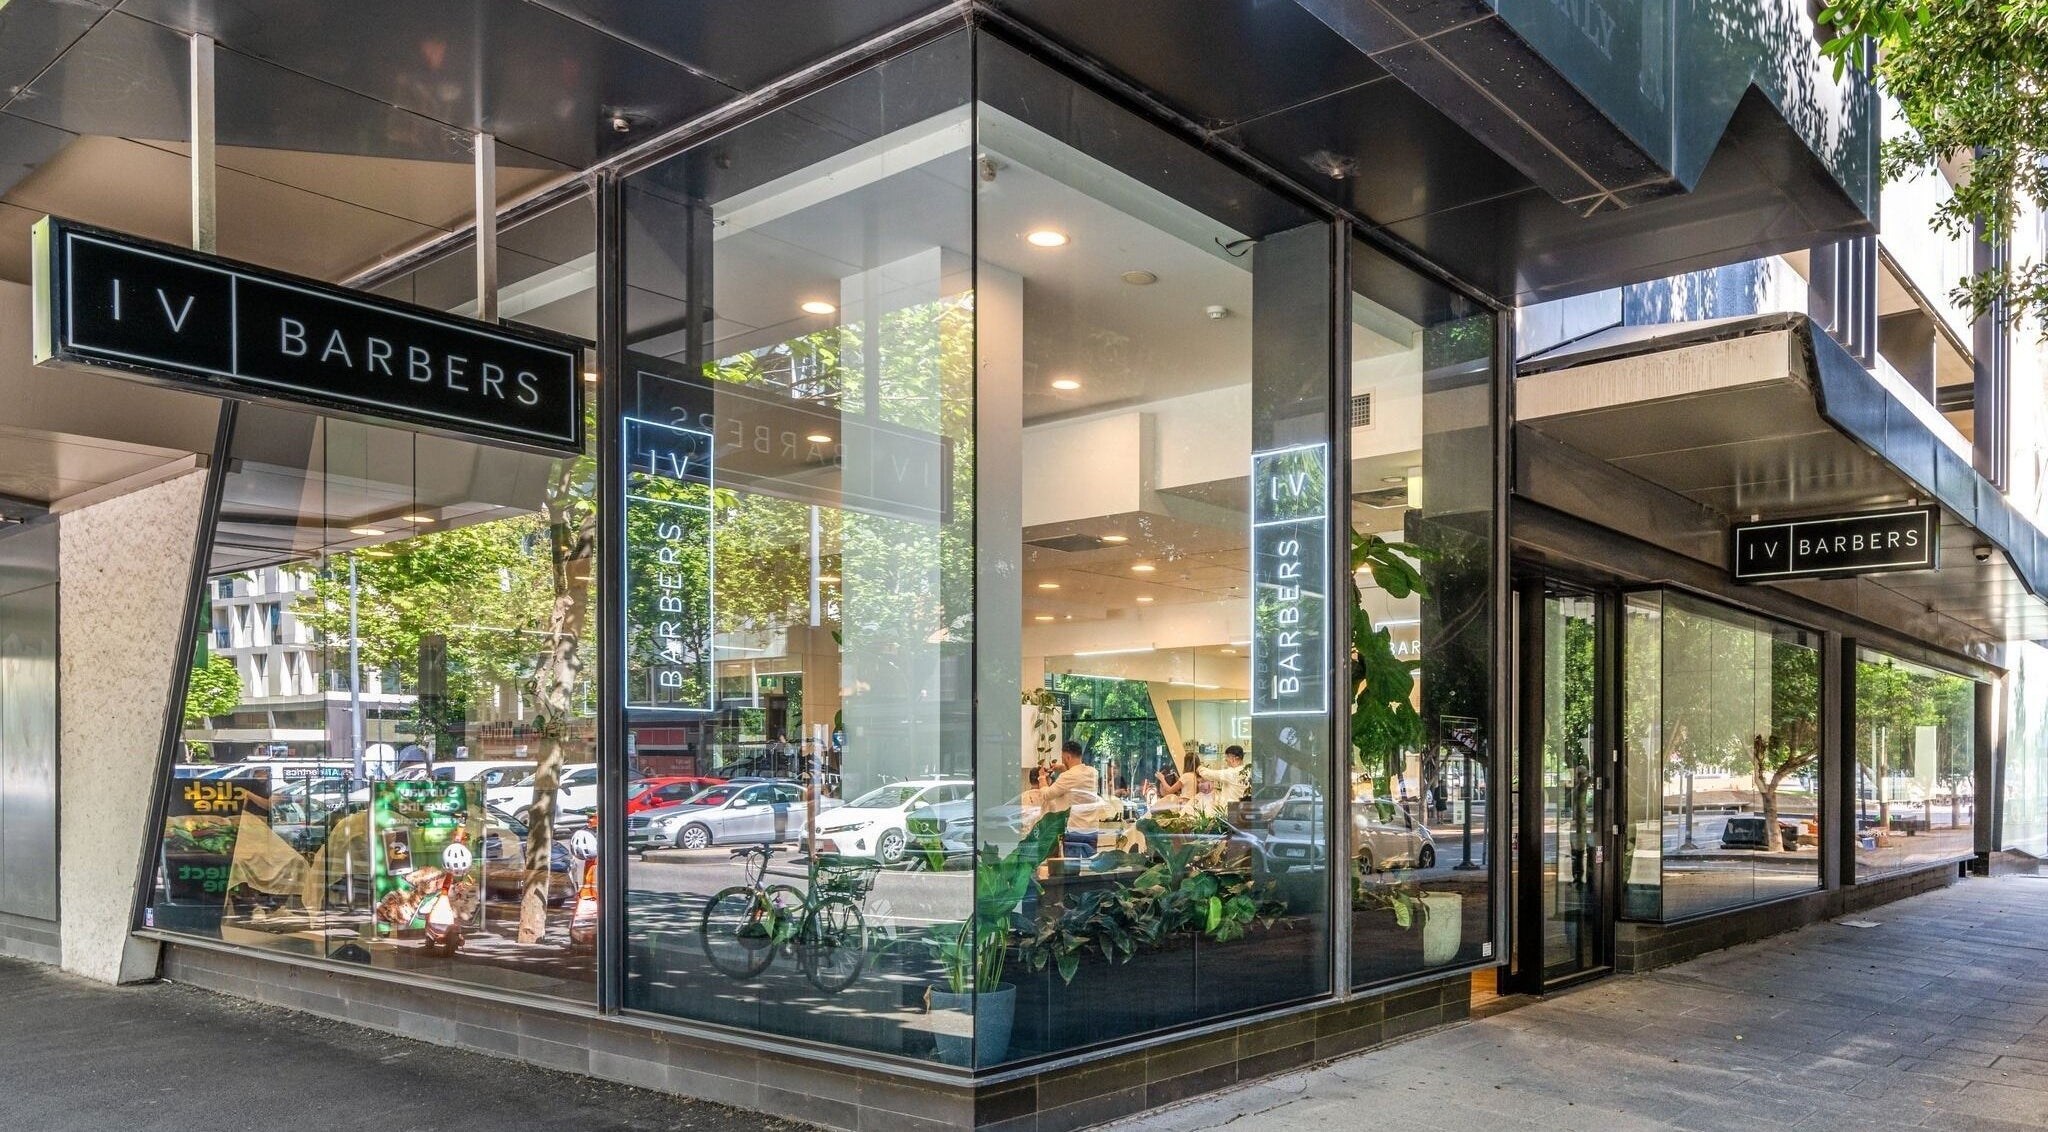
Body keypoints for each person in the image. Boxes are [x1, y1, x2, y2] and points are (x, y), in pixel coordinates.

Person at [1041, 740, 1100, 857]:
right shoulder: (1093, 772)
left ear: (1067, 757)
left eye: (1063, 758)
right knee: (1090, 869)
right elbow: (1076, 775)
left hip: (1074, 830)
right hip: (1091, 829)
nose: (1063, 760)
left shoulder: (1067, 776)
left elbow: (1046, 795)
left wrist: (1042, 778)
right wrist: (1062, 767)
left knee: (1072, 869)